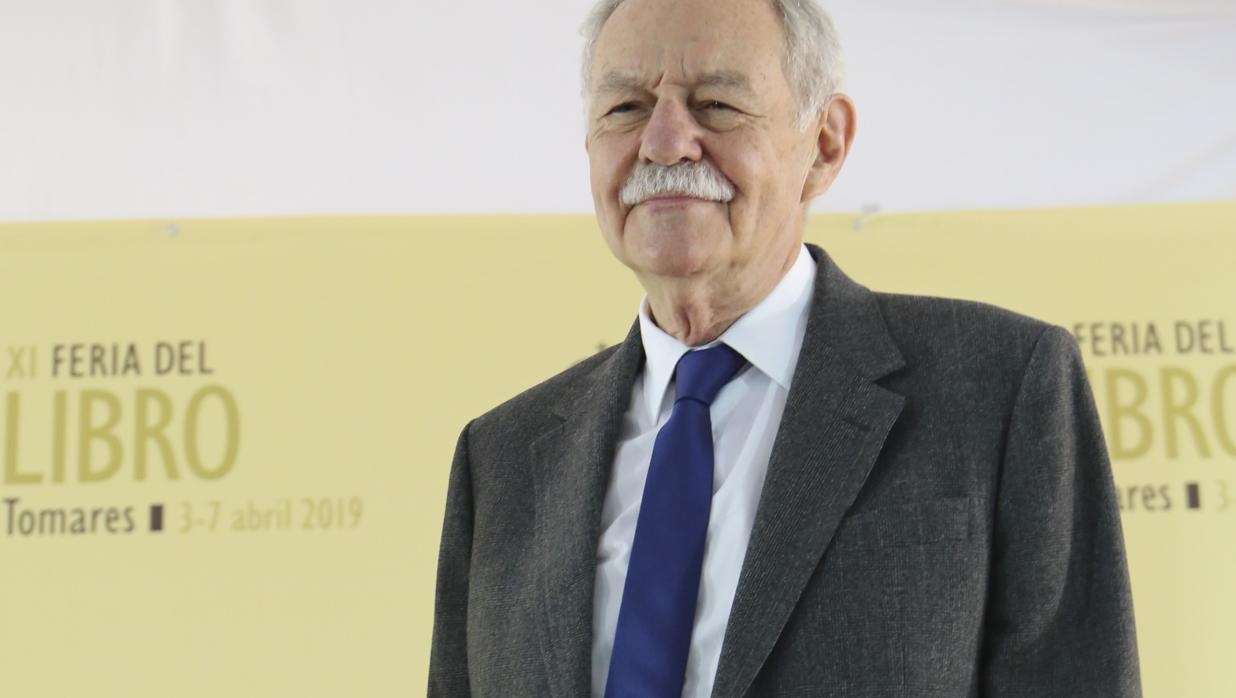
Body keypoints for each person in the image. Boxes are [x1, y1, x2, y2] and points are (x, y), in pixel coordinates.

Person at [429, 0, 1141, 695]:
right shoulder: (500, 459)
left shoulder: (999, 388)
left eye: (716, 104)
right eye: (626, 108)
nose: (664, 143)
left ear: (824, 144)